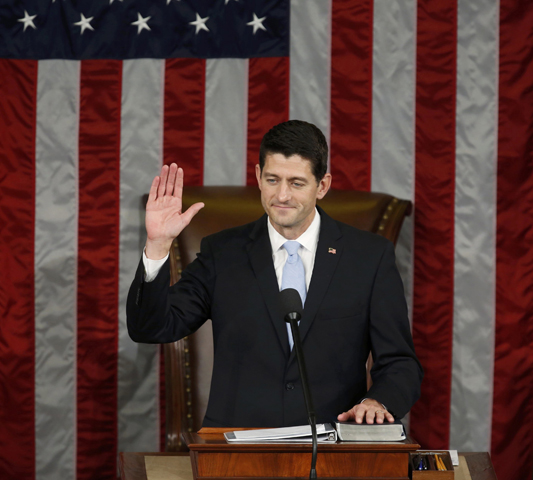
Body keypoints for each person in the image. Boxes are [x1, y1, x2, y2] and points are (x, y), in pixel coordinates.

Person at [127, 120, 423, 428]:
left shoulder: (368, 257)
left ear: (322, 186)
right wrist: (158, 245)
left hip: (330, 447)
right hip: (236, 451)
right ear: (257, 176)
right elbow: (152, 328)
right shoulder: (223, 252)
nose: (282, 195)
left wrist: (377, 402)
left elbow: (400, 363)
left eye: (296, 183)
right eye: (272, 179)